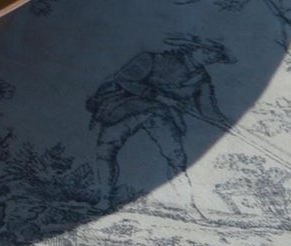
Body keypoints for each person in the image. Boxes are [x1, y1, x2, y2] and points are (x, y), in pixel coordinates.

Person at [87, 35, 233, 208]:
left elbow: (209, 111)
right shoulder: (152, 59)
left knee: (176, 156)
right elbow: (124, 79)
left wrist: (229, 125)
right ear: (192, 48)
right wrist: (160, 97)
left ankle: (185, 203)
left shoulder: (201, 80)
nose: (210, 57)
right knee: (106, 151)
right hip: (125, 110)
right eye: (207, 51)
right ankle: (105, 199)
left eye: (215, 55)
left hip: (161, 115)